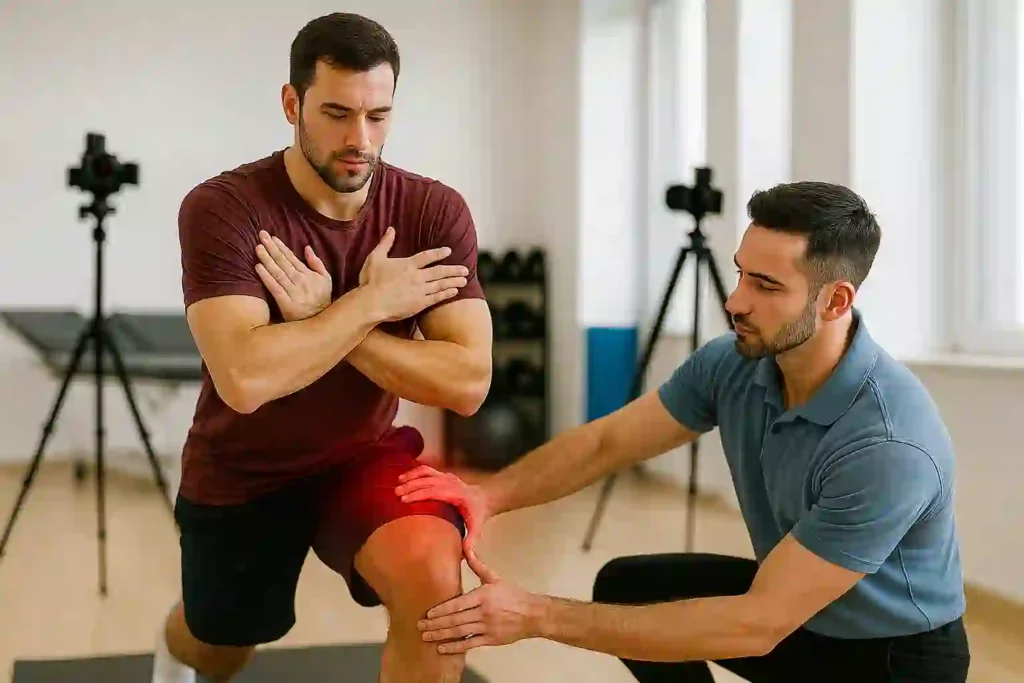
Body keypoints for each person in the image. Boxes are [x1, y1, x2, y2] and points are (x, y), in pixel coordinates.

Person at [395, 181, 972, 682]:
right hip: (797, 616)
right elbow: (608, 442)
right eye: (742, 273)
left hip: (889, 659)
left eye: (766, 287)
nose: (734, 300)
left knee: (745, 619)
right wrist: (488, 496)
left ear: (835, 300)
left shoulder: (888, 444)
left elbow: (756, 624)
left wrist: (536, 615)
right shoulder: (736, 363)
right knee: (632, 585)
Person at [151, 12, 493, 683]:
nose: (359, 139)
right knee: (218, 642)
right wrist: (368, 303)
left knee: (435, 583)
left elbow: (468, 381)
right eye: (337, 113)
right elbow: (245, 377)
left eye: (378, 115)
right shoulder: (225, 208)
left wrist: (326, 318)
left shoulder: (430, 210)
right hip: (243, 468)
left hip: (360, 454)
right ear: (291, 103)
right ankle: (175, 654)